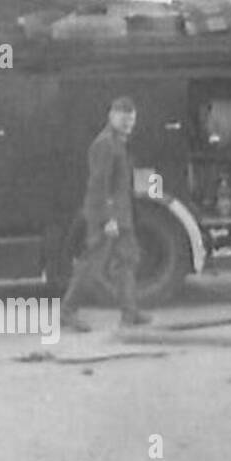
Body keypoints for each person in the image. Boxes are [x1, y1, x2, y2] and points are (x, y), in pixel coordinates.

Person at [60, 96, 151, 333]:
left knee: (127, 260)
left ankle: (130, 313)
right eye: (123, 118)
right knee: (92, 264)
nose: (128, 123)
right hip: (106, 216)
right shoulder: (105, 144)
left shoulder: (117, 142)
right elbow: (99, 185)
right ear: (111, 116)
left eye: (131, 119)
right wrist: (108, 218)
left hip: (122, 215)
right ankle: (67, 312)